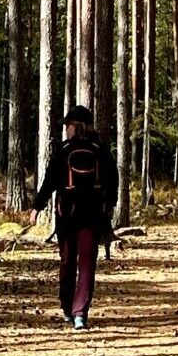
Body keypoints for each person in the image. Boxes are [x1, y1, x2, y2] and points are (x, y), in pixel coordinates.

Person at [34, 103, 117, 330]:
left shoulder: (63, 151)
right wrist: (109, 205)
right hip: (92, 216)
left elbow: (50, 181)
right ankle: (80, 312)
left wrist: (36, 207)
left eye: (67, 125)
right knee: (87, 264)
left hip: (67, 215)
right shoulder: (101, 150)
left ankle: (67, 307)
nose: (65, 130)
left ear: (74, 126)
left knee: (67, 261)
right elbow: (112, 181)